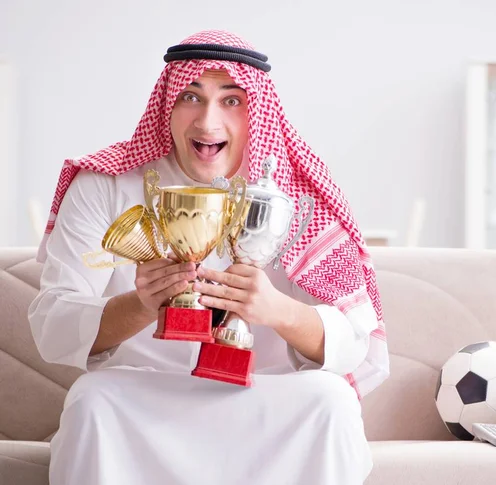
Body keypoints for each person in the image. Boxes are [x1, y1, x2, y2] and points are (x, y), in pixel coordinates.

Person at [29, 29, 389, 485]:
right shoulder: (105, 185)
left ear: (256, 110)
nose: (208, 122)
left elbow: (356, 343)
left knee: (330, 400)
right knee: (92, 400)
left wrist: (276, 310)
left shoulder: (299, 196)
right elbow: (52, 327)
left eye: (231, 101)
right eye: (191, 97)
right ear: (167, 106)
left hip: (267, 400)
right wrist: (140, 305)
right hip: (144, 398)